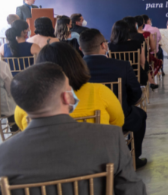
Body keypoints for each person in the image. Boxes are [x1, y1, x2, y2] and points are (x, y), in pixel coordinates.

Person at [0, 63, 146, 193]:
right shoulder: (110, 138)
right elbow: (133, 190)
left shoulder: (4, 156)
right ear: (66, 97)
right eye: (69, 87)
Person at [14, 43, 125, 131]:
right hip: (98, 157)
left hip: (46, 159)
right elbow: (118, 123)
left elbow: (23, 129)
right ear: (77, 64)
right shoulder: (100, 92)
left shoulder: (27, 103)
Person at [80, 29, 148, 168]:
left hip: (82, 121)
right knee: (140, 115)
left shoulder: (72, 70)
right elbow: (136, 94)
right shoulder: (121, 66)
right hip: (117, 118)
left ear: (81, 49)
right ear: (104, 45)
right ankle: (133, 158)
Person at [108, 21, 154, 89]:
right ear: (128, 30)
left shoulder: (110, 46)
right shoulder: (136, 44)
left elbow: (110, 63)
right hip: (136, 76)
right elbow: (143, 62)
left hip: (117, 77)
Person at [0, 59, 17, 132]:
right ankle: (15, 130)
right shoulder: (2, 65)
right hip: (3, 109)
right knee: (13, 101)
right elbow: (10, 88)